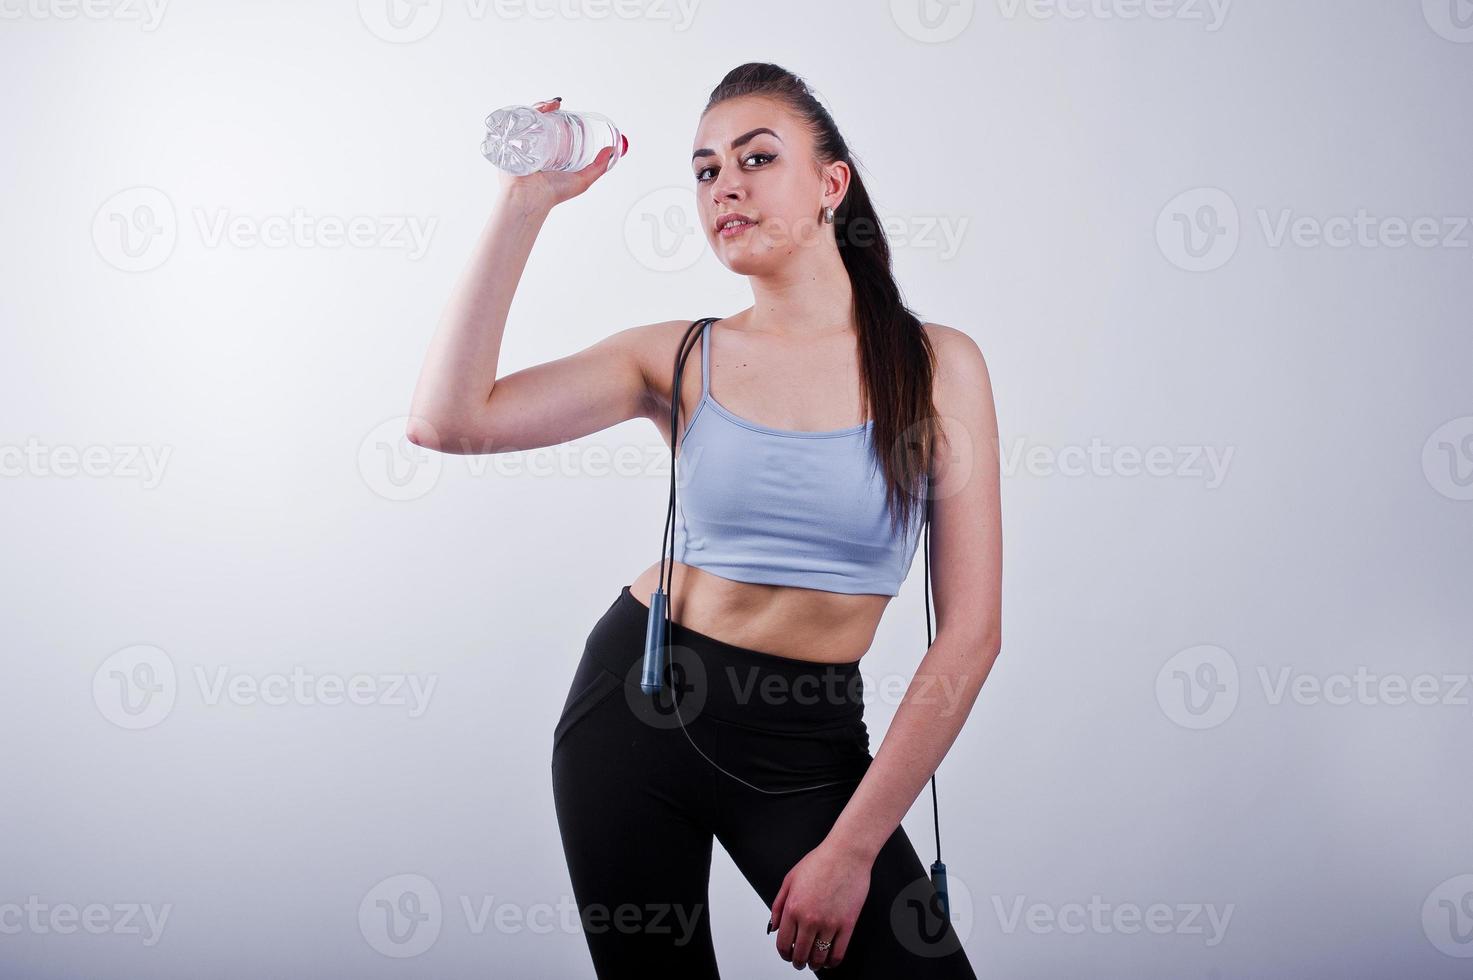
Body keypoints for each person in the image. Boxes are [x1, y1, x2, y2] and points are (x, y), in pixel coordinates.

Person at [408, 62, 1002, 978]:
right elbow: (449, 421)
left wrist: (849, 853)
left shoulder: (936, 365)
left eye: (757, 158)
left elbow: (969, 636)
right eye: (703, 169)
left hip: (807, 743)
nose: (724, 184)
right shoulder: (678, 353)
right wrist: (523, 206)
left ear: (829, 185)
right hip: (634, 712)